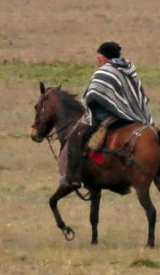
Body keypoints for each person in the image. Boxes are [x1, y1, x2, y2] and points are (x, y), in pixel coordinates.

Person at [62, 42, 155, 188]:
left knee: (76, 136)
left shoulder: (105, 71)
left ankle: (73, 177)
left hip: (109, 116)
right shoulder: (129, 68)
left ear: (106, 56)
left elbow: (92, 95)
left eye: (99, 55)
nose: (98, 59)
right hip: (133, 115)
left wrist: (91, 105)